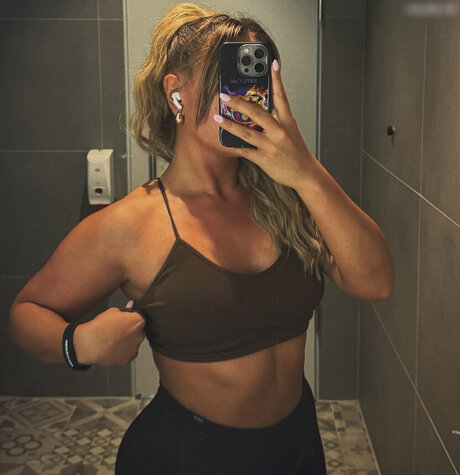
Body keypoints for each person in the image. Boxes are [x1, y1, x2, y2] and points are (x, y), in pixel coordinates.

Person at [8, 2, 394, 474]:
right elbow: (26, 313)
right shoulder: (133, 224)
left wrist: (307, 172)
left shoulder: (290, 198)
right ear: (177, 95)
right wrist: (79, 343)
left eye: (257, 76)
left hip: (297, 445)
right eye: (231, 77)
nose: (248, 97)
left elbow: (376, 281)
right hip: (188, 456)